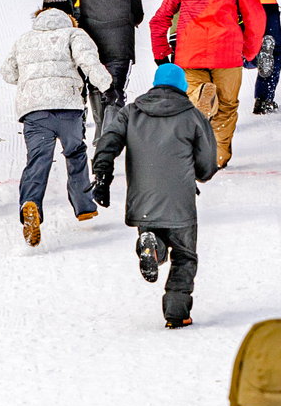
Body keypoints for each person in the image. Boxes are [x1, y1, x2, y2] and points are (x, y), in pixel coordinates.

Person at [91, 61, 218, 329]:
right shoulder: (193, 116)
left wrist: (102, 174)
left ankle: (152, 245)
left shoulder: (130, 112)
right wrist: (197, 172)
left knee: (157, 239)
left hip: (143, 199)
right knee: (184, 256)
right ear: (183, 87)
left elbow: (108, 140)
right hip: (180, 201)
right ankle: (176, 313)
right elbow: (207, 166)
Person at [1, 0, 112, 248]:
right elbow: (89, 62)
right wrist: (107, 85)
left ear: (41, 12)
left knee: (37, 160)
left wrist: (31, 79)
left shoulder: (24, 39)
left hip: (34, 111)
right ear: (69, 12)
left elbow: (8, 73)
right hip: (68, 108)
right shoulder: (75, 34)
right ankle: (84, 206)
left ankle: (30, 203)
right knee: (75, 154)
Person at [149, 0, 266, 169]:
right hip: (227, 51)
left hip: (189, 49)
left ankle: (199, 94)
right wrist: (249, 50)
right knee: (227, 106)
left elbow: (161, 17)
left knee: (193, 97)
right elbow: (256, 17)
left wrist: (160, 54)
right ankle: (218, 155)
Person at [67, 0, 145, 137]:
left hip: (90, 40)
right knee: (115, 88)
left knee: (95, 83)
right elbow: (138, 14)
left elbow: (67, 10)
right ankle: (108, 139)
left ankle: (100, 133)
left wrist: (83, 18)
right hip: (121, 41)